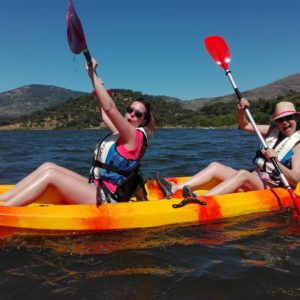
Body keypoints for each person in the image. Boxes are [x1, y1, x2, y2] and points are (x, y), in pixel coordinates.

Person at [1, 58, 157, 206]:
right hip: (96, 186)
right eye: (130, 110)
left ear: (143, 121)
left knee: (51, 176)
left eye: (138, 114)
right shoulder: (121, 133)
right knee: (48, 166)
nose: (132, 114)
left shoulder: (134, 136)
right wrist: (95, 80)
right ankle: (3, 199)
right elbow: (104, 113)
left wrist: (91, 74)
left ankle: (7, 209)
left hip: (109, 197)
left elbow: (110, 108)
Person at [156, 99, 300, 198]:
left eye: (289, 118)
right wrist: (241, 111)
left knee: (243, 173)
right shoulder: (271, 131)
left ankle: (203, 199)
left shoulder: (298, 145)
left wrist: (276, 161)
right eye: (280, 119)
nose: (285, 122)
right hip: (257, 178)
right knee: (215, 166)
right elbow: (244, 126)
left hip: (273, 186)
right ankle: (175, 188)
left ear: (296, 118)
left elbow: (295, 179)